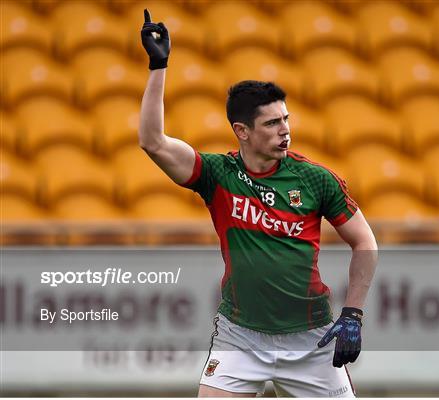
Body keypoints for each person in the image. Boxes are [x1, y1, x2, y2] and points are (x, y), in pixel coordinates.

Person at [139, 9, 378, 397]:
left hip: (310, 338)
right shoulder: (217, 174)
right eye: (272, 124)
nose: (285, 131)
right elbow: (153, 142)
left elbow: (365, 241)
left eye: (286, 120)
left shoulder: (315, 179)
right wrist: (158, 65)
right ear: (242, 131)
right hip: (240, 336)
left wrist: (353, 313)